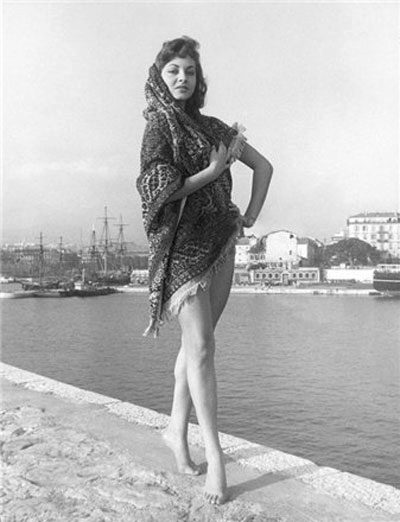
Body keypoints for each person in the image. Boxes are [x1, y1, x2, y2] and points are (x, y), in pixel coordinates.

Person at [136, 36, 273, 505]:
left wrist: (250, 216)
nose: (182, 78)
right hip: (181, 249)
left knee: (199, 345)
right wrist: (211, 175)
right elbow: (157, 192)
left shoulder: (214, 128)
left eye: (190, 71)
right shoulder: (158, 127)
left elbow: (264, 167)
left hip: (221, 242)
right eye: (173, 71)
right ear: (160, 77)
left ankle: (176, 431)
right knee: (201, 348)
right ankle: (215, 456)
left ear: (199, 78)